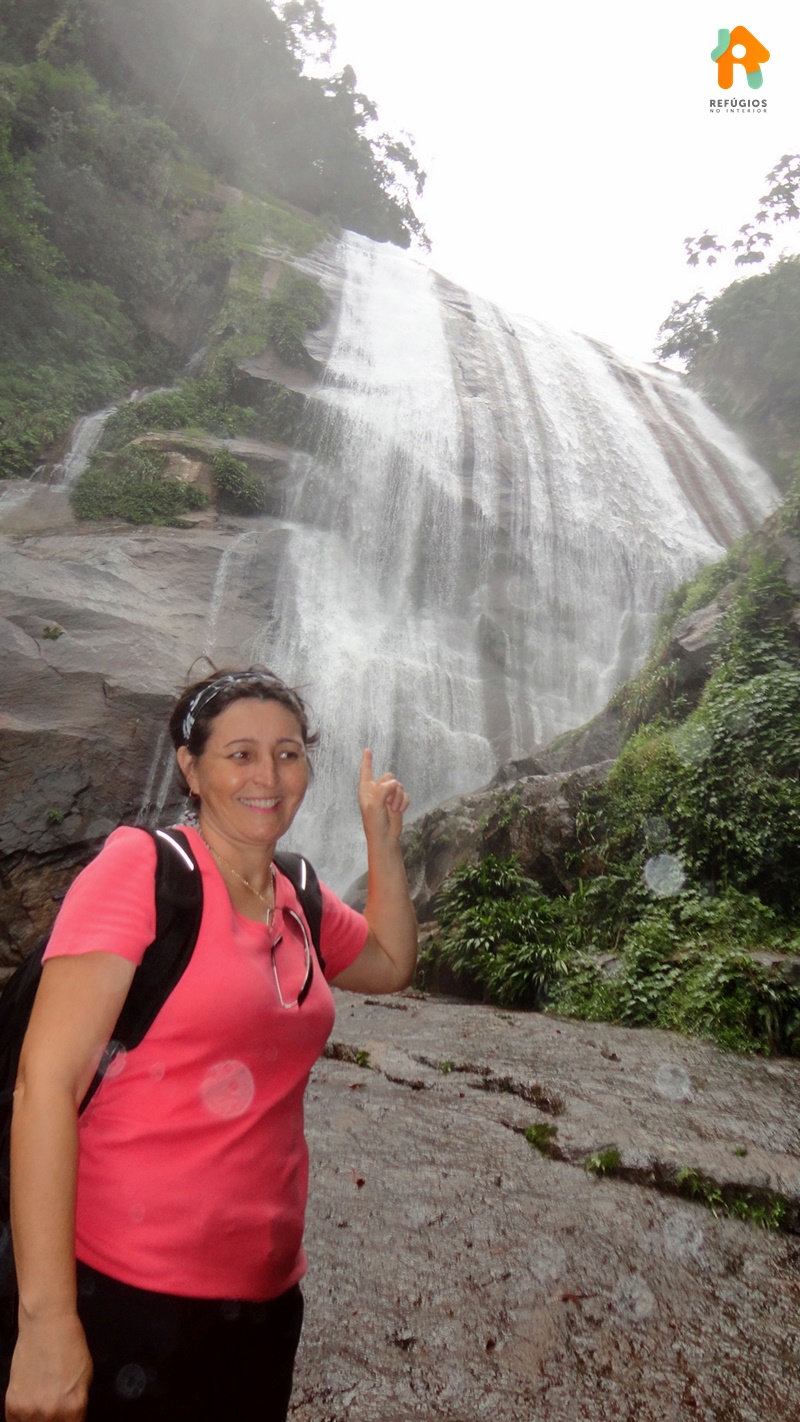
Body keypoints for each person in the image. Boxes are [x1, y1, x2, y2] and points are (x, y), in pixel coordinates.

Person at [3, 667, 417, 1422]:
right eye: (241, 754)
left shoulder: (298, 893)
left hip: (264, 1302)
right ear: (190, 768)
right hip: (125, 1296)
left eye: (289, 754)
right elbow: (45, 1087)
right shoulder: (143, 870)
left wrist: (382, 840)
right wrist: (47, 1325)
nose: (268, 776)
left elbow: (389, 963)